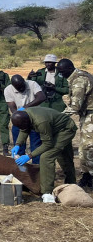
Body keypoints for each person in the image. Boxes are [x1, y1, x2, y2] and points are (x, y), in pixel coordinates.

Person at [11, 108, 77, 203]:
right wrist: (18, 144)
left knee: (46, 157)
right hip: (54, 129)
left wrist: (29, 156)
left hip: (65, 130)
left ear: (27, 121)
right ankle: (72, 184)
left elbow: (47, 144)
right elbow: (24, 129)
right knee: (65, 157)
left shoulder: (41, 122)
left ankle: (47, 193)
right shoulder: (25, 115)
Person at [56, 58, 93, 188]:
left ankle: (89, 177)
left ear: (69, 69)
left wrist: (57, 118)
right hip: (86, 115)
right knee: (85, 148)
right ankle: (87, 176)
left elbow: (74, 107)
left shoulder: (79, 81)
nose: (61, 74)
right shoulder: (79, 76)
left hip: (91, 116)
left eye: (62, 71)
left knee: (87, 148)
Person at [4, 75, 46, 163]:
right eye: (18, 88)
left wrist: (25, 107)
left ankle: (36, 168)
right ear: (13, 86)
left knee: (36, 145)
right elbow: (12, 108)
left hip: (35, 119)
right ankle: (20, 169)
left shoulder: (32, 84)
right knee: (18, 145)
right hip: (20, 119)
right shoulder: (8, 90)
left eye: (22, 85)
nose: (21, 88)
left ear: (24, 81)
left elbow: (41, 97)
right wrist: (18, 116)